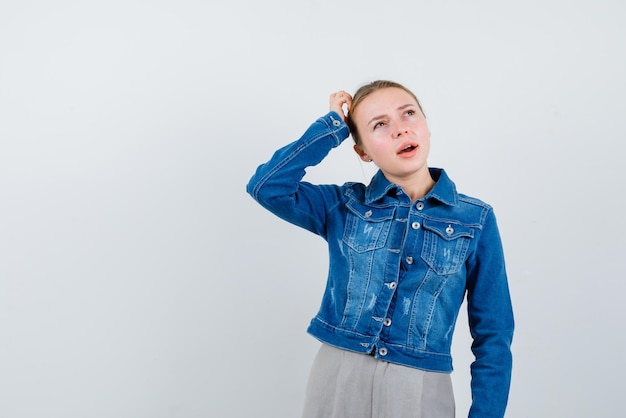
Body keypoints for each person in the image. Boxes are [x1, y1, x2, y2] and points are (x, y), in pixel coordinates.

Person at [246, 80, 514, 418]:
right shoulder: (343, 205)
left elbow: (494, 334)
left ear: (426, 126)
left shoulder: (476, 219)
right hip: (338, 376)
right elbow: (267, 187)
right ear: (363, 151)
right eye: (380, 124)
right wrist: (332, 127)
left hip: (420, 386)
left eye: (408, 114)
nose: (400, 129)